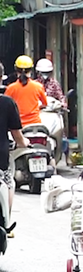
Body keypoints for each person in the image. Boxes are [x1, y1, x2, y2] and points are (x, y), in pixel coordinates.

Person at [0, 63, 30, 222]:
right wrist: (24, 142)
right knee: (8, 183)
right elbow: (16, 134)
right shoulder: (7, 102)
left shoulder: (12, 89)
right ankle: (6, 221)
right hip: (1, 156)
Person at [5, 55, 47, 127]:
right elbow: (45, 104)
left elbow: (5, 107)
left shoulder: (10, 88)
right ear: (31, 69)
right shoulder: (38, 86)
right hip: (35, 124)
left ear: (16, 69)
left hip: (17, 126)